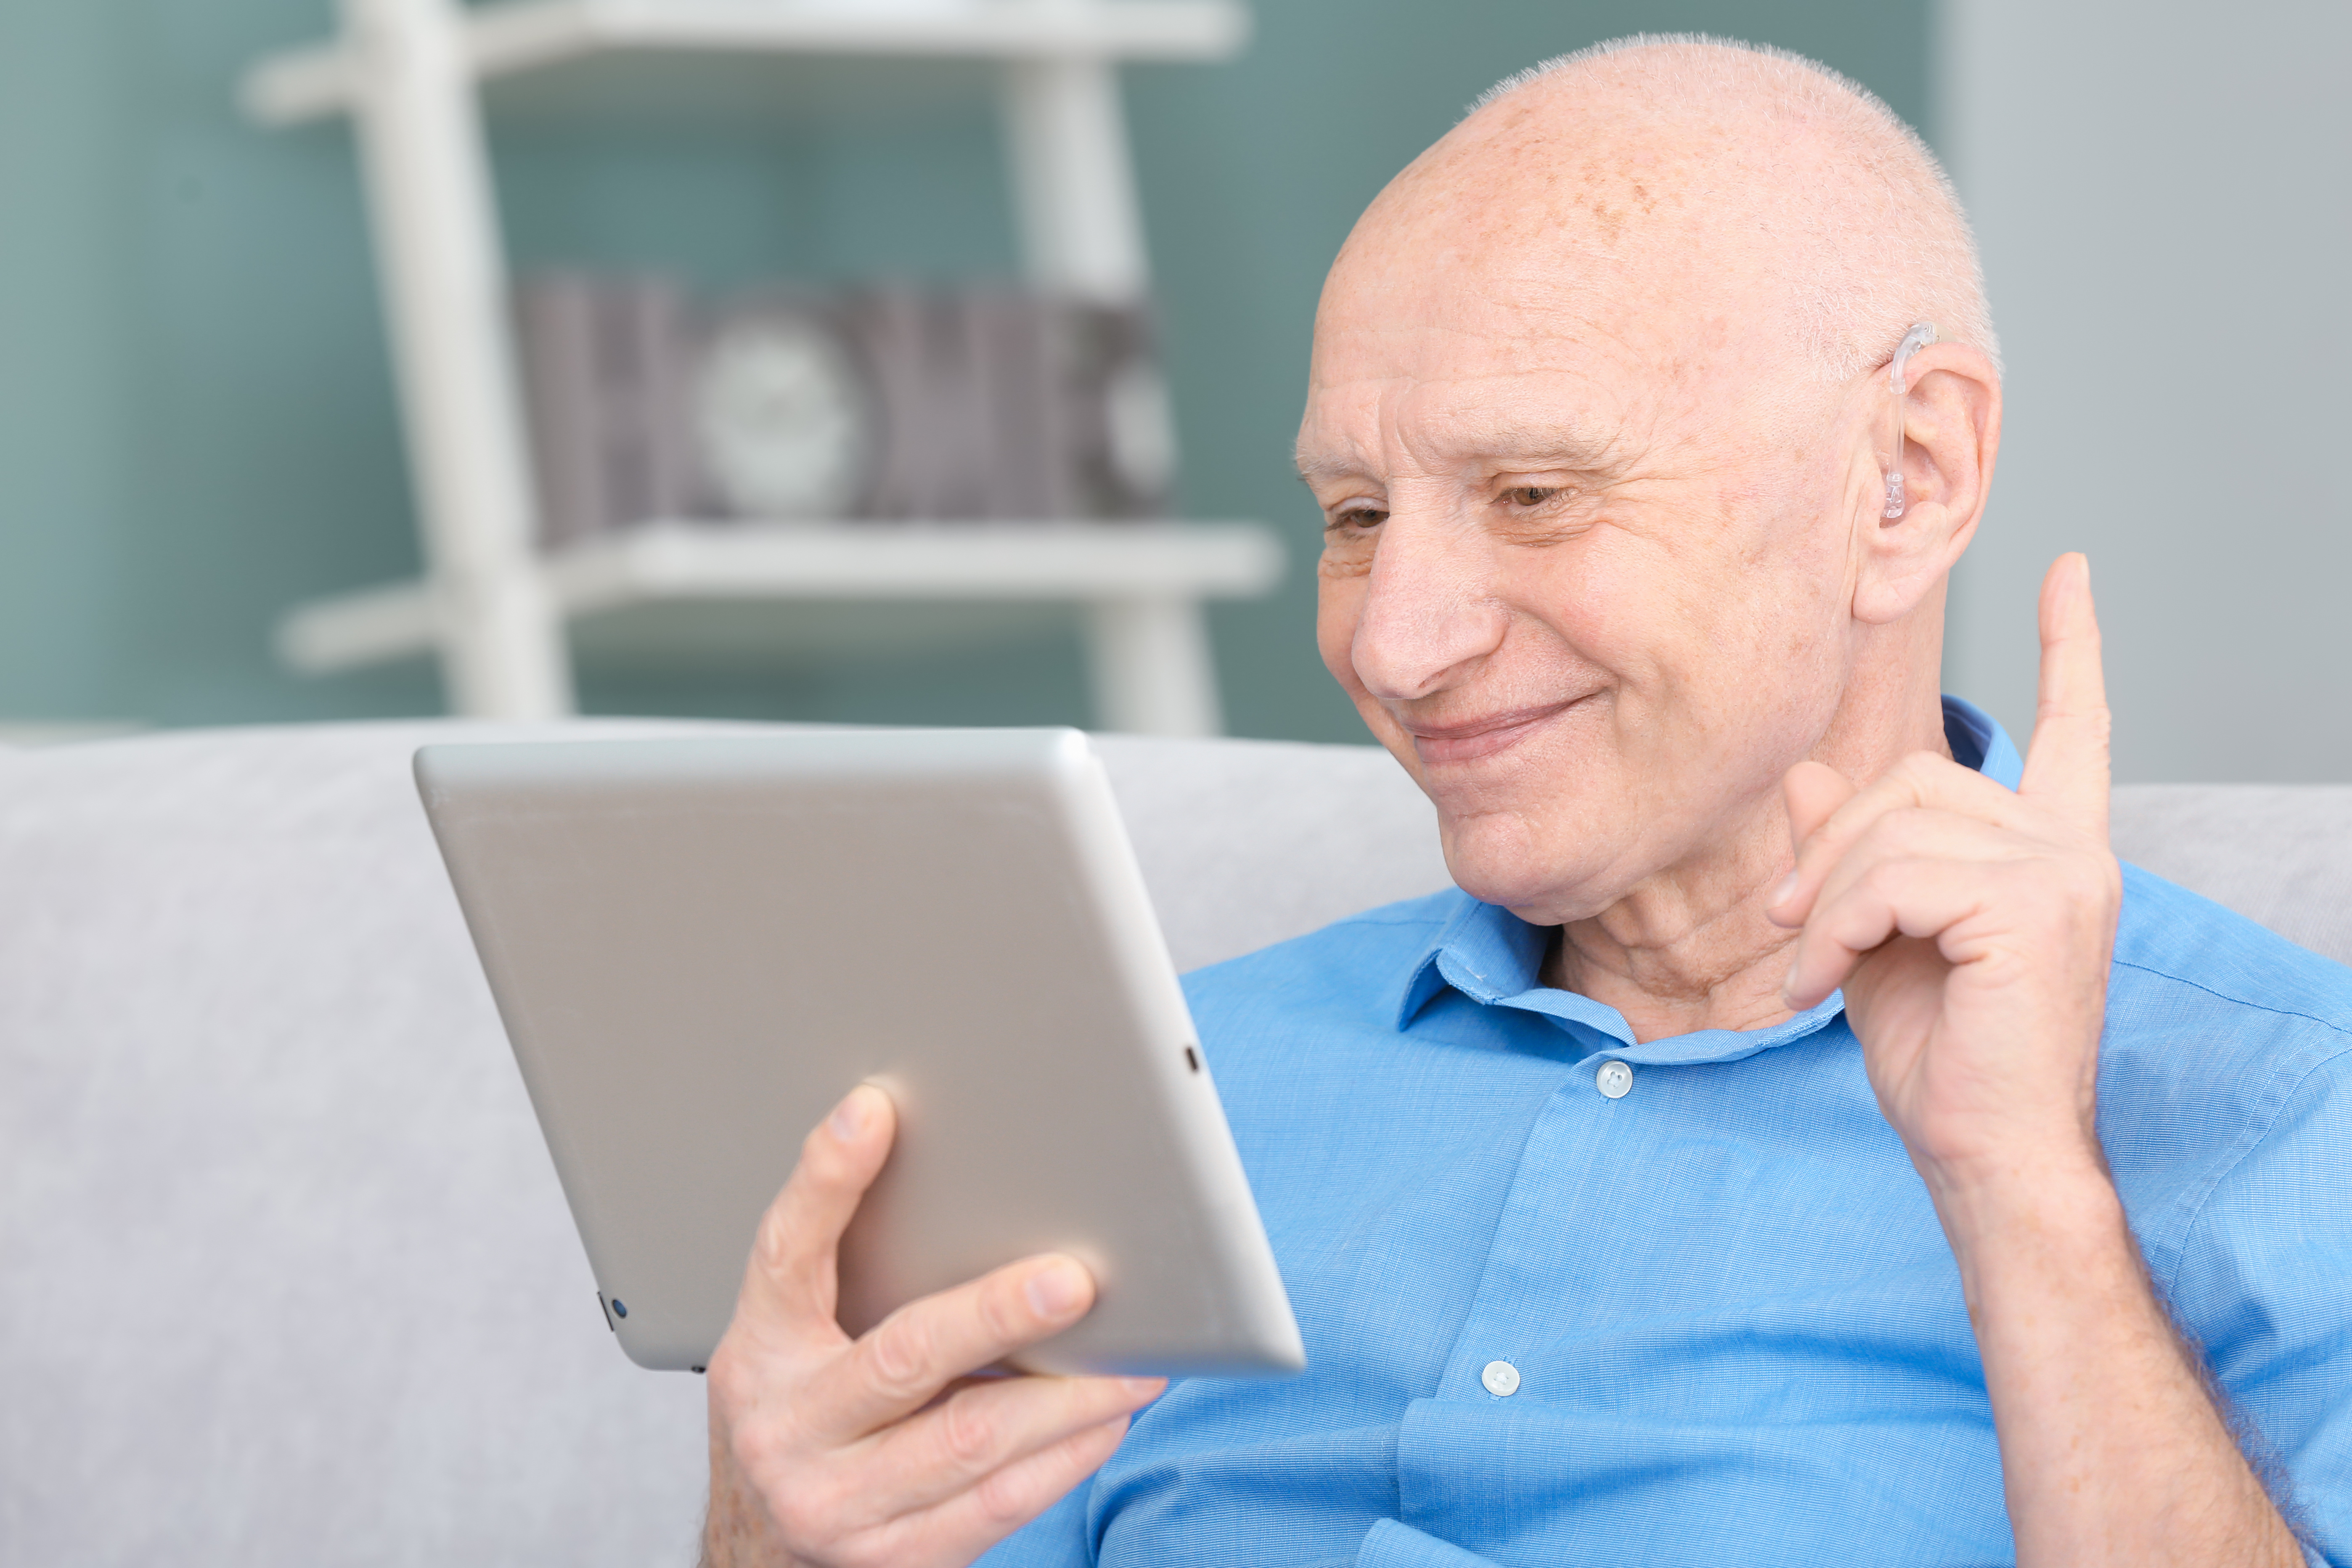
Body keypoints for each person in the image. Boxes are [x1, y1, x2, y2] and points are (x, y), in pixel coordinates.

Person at [699, 36, 2350, 1568]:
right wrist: (770, 1527)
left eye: (1535, 493)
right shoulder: (1157, 1084)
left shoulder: (2274, 1110)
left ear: (1906, 473)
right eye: (1354, 514)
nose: (1397, 644)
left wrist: (2026, 1193)